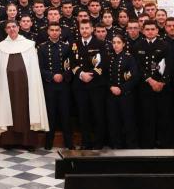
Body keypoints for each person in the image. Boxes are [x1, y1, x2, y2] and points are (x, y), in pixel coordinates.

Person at [0, 20, 48, 149]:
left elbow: (34, 69)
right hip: (7, 85)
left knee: (27, 109)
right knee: (7, 108)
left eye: (14, 27)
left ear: (18, 28)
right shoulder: (0, 47)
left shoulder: (29, 45)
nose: (12, 29)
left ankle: (28, 142)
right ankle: (9, 141)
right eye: (9, 27)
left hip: (26, 85)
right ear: (5, 30)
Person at [133, 20, 174, 148]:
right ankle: (148, 144)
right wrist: (150, 80)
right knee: (147, 116)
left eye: (153, 29)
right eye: (147, 29)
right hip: (145, 86)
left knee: (163, 116)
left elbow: (170, 66)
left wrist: (162, 82)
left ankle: (164, 144)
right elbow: (138, 66)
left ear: (157, 31)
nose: (150, 31)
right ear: (143, 31)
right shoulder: (137, 45)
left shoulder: (165, 45)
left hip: (162, 87)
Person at [70, 19, 106, 149]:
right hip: (80, 86)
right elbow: (72, 63)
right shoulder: (75, 44)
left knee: (97, 114)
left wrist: (91, 74)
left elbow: (103, 63)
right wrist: (81, 74)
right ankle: (86, 142)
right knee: (83, 115)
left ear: (92, 29)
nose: (84, 30)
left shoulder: (100, 44)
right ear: (79, 30)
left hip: (96, 85)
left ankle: (98, 143)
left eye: (87, 28)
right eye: (82, 28)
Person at [38, 23, 73, 150]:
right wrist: (52, 76)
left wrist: (63, 75)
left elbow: (71, 66)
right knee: (50, 114)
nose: (54, 32)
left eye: (56, 30)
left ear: (60, 32)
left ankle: (69, 143)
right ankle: (48, 143)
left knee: (65, 114)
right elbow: (39, 68)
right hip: (49, 85)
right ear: (48, 32)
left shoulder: (66, 47)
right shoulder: (42, 48)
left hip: (64, 85)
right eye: (51, 30)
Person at [106, 35, 139, 149]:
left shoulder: (129, 57)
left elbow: (135, 77)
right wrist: (111, 87)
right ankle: (116, 145)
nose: (115, 45)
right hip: (111, 94)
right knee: (114, 121)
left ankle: (131, 145)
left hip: (126, 94)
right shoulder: (109, 57)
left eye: (118, 42)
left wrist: (122, 89)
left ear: (124, 44)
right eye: (114, 42)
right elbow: (105, 76)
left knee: (128, 121)